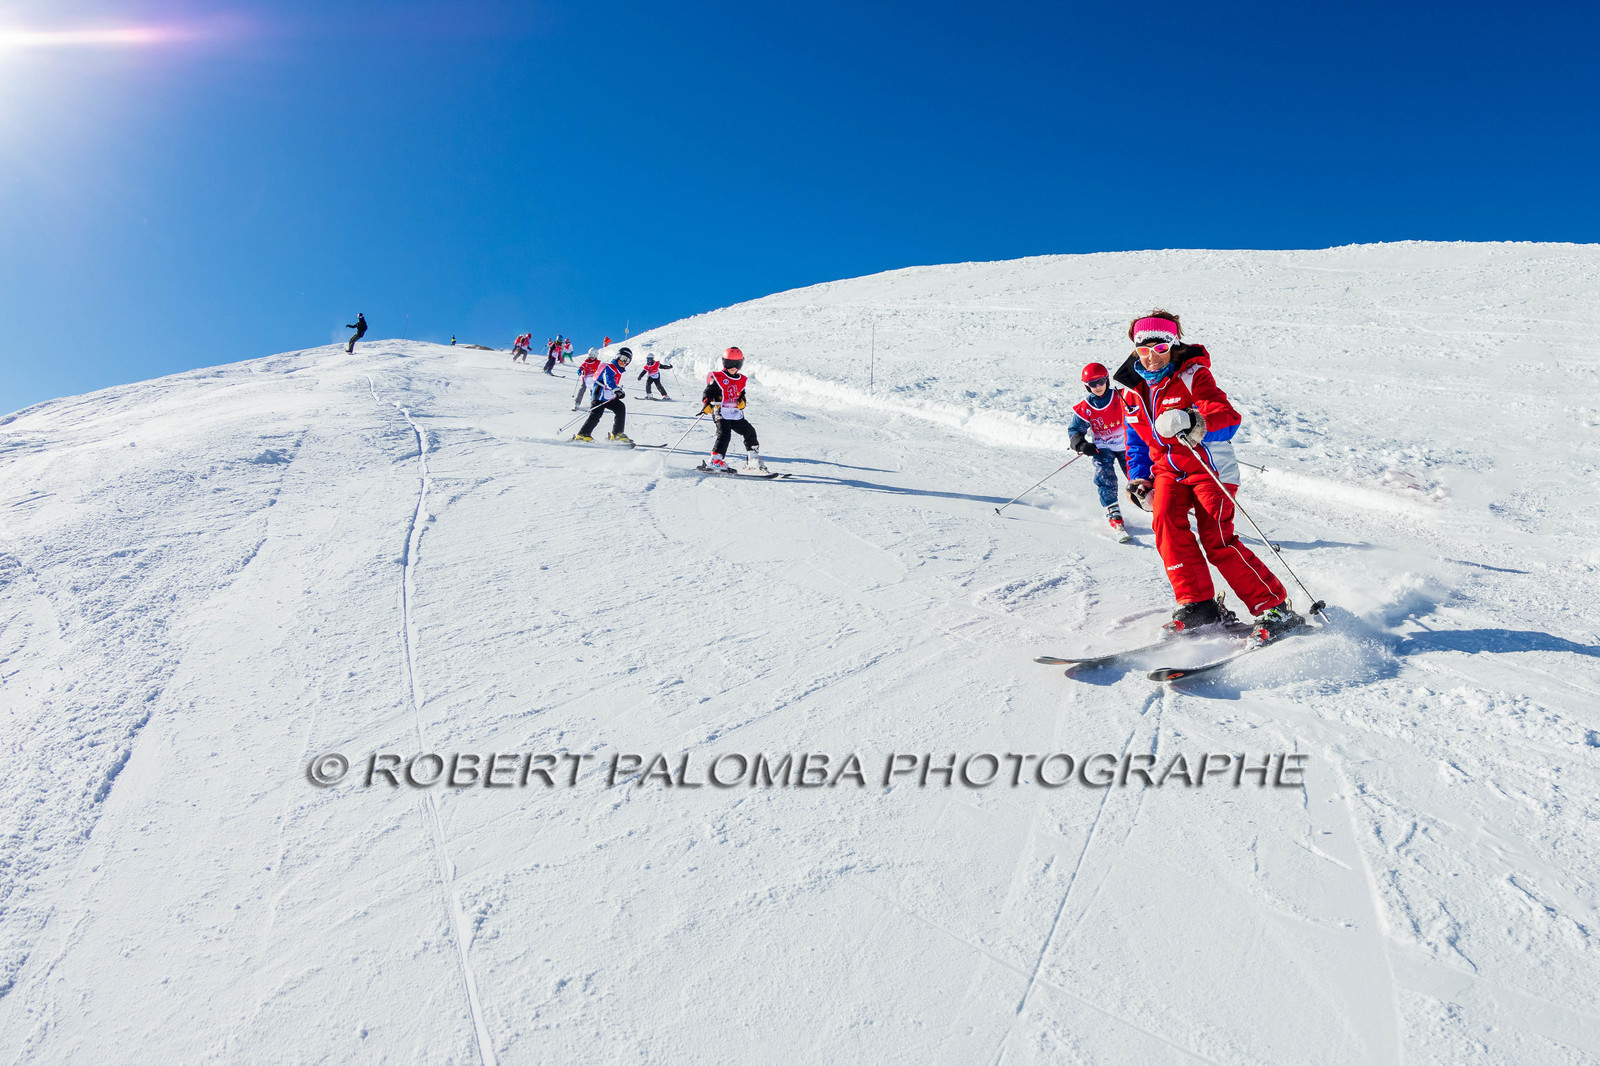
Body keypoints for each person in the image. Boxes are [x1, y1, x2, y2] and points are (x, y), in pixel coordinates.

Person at [1115, 311, 1303, 641]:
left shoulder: (1193, 375)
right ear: (1135, 348)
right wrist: (1140, 478)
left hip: (1209, 468)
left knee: (1217, 538)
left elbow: (1227, 418)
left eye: (1162, 348)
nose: (1153, 356)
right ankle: (1199, 605)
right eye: (1144, 348)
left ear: (1173, 346)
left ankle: (1274, 607)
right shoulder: (1132, 392)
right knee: (1166, 525)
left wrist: (1192, 419)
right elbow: (1136, 441)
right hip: (1167, 472)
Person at [1067, 361, 1130, 541]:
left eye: (1101, 381)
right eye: (1093, 384)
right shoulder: (1086, 407)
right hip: (1102, 447)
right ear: (1087, 386)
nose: (1098, 387)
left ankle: (1154, 502)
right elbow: (1074, 430)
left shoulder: (1121, 397)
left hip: (1126, 444)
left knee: (1137, 474)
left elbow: (1139, 409)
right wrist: (1081, 444)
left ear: (1107, 380)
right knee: (1104, 473)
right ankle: (1113, 510)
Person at [702, 347, 763, 471]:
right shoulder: (717, 377)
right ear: (724, 363)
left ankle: (753, 459)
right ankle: (715, 460)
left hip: (735, 413)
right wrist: (707, 403)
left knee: (749, 431)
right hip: (721, 411)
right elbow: (708, 391)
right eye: (730, 363)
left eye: (736, 364)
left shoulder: (741, 379)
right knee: (724, 434)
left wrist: (742, 402)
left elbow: (741, 395)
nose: (733, 367)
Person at [574, 348, 633, 443]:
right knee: (596, 414)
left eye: (627, 360)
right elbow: (608, 380)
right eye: (622, 358)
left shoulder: (617, 370)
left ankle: (617, 433)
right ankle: (582, 434)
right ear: (617, 356)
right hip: (599, 394)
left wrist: (618, 391)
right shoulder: (609, 367)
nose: (623, 362)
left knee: (620, 407)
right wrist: (615, 389)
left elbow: (613, 384)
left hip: (608, 396)